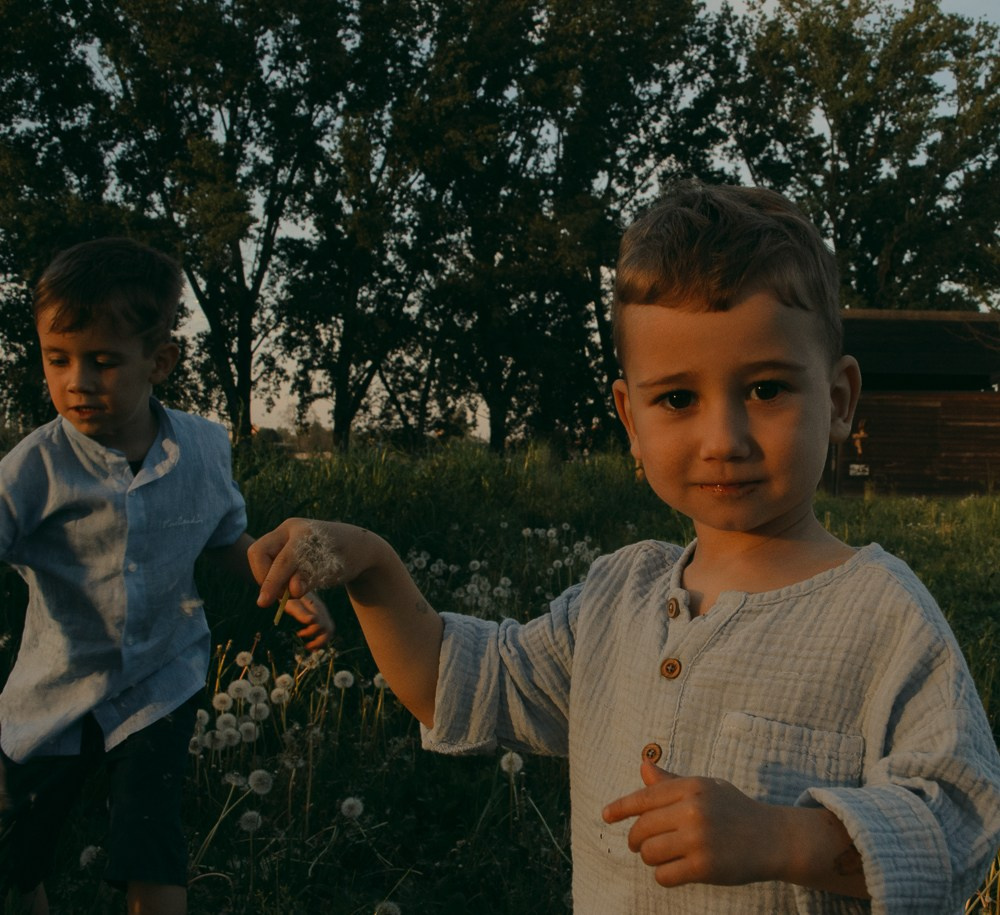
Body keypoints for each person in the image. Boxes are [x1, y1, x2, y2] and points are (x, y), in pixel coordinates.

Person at [248, 183, 1000, 913]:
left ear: (837, 400)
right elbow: (461, 684)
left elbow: (963, 825)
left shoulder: (880, 613)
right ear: (630, 419)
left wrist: (782, 836)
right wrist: (374, 566)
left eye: (767, 389)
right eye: (678, 398)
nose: (723, 439)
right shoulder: (618, 595)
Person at [0, 238, 333, 915]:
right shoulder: (35, 466)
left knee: (153, 839)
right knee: (15, 850)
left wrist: (286, 589)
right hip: (54, 690)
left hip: (160, 682)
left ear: (160, 361)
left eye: (102, 361)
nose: (77, 381)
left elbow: (223, 539)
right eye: (57, 359)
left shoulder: (201, 450)